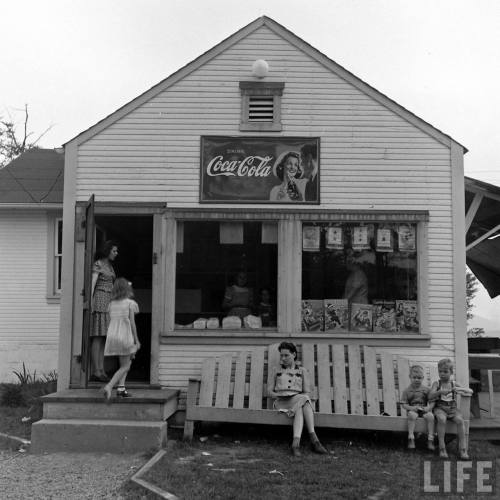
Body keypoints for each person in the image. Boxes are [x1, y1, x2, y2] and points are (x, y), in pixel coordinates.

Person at [267, 341, 328, 457]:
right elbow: (269, 391)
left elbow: (307, 392)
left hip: (296, 401)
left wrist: (296, 399)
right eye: (281, 355)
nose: (283, 358)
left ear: (294, 354)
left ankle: (295, 445)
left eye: (286, 355)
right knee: (303, 401)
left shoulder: (302, 371)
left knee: (301, 404)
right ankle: (315, 440)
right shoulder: (276, 370)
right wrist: (280, 395)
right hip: (281, 402)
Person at [102, 278, 140, 400]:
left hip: (113, 337)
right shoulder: (130, 303)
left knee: (126, 362)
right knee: (126, 366)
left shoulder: (111, 304)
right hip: (125, 336)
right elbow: (132, 323)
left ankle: (121, 389)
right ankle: (109, 386)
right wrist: (137, 340)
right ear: (126, 289)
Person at [429, 358, 473, 459]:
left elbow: (469, 391)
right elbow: (430, 396)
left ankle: (463, 450)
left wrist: (459, 389)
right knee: (441, 419)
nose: (442, 374)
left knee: (460, 421)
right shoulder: (437, 384)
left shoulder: (454, 384)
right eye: (440, 371)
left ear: (451, 372)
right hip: (440, 408)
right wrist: (439, 392)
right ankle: (442, 448)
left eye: (445, 371)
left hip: (452, 409)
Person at [90, 240, 118, 382]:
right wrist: (90, 302)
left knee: (103, 337)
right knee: (98, 336)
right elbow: (93, 284)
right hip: (100, 300)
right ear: (107, 251)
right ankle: (96, 370)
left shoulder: (110, 266)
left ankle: (101, 369)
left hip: (108, 302)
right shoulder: (99, 264)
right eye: (114, 251)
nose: (116, 254)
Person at [400, 365, 435, 451]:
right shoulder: (407, 391)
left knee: (431, 416)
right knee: (412, 415)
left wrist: (428, 408)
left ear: (423, 378)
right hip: (413, 411)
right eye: (414, 377)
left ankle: (430, 439)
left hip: (423, 410)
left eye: (419, 378)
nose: (416, 380)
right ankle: (411, 438)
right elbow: (404, 404)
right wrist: (411, 408)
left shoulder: (426, 390)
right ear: (410, 377)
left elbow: (432, 402)